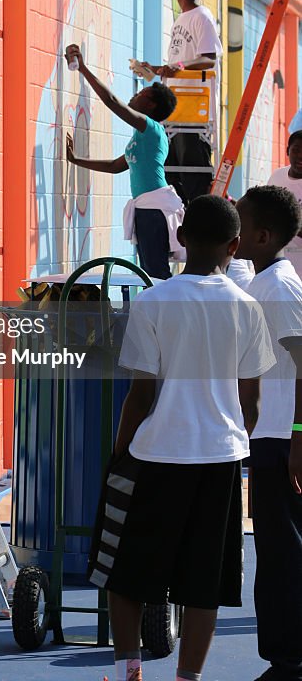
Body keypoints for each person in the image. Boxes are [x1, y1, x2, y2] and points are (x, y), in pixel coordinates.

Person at [90, 195, 274, 681]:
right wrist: (230, 437)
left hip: (154, 455)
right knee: (204, 582)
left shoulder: (152, 302)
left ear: (180, 238)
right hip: (220, 460)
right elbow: (250, 402)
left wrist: (120, 450)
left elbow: (141, 395)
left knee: (125, 570)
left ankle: (130, 670)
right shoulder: (248, 308)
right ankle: (187, 677)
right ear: (235, 246)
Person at [235, 186, 302, 681]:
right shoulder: (264, 284)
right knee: (276, 553)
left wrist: (299, 438)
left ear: (263, 235)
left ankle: (289, 662)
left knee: (283, 555)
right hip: (270, 439)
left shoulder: (280, 290)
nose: (233, 230)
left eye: (241, 221)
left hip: (285, 441)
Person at [64, 45, 182, 280]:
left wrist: (84, 69)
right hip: (146, 208)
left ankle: (166, 313)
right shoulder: (140, 137)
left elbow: (112, 102)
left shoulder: (152, 130)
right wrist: (75, 160)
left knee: (156, 273)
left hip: (154, 209)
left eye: (141, 95)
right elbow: (115, 166)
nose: (134, 95)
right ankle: (157, 312)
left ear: (150, 106)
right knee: (150, 271)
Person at [142, 0, 223, 206]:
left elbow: (209, 58)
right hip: (176, 113)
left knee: (194, 177)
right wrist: (156, 68)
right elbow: (181, 64)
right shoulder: (181, 20)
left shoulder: (202, 17)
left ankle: (201, 229)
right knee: (171, 176)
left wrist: (179, 66)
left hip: (195, 114)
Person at [266, 130, 302, 278]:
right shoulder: (277, 176)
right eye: (296, 150)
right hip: (277, 263)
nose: (300, 156)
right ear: (288, 151)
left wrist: (285, 222)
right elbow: (263, 209)